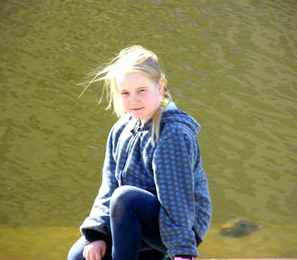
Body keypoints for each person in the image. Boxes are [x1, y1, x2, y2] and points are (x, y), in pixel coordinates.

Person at [68, 45, 212, 260]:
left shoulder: (172, 133)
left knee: (126, 198)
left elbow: (177, 198)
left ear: (160, 86)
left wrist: (182, 251)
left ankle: (166, 254)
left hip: (181, 226)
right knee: (78, 257)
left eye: (141, 91)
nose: (133, 100)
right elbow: (109, 185)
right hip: (131, 222)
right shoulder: (122, 128)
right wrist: (97, 232)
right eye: (125, 93)